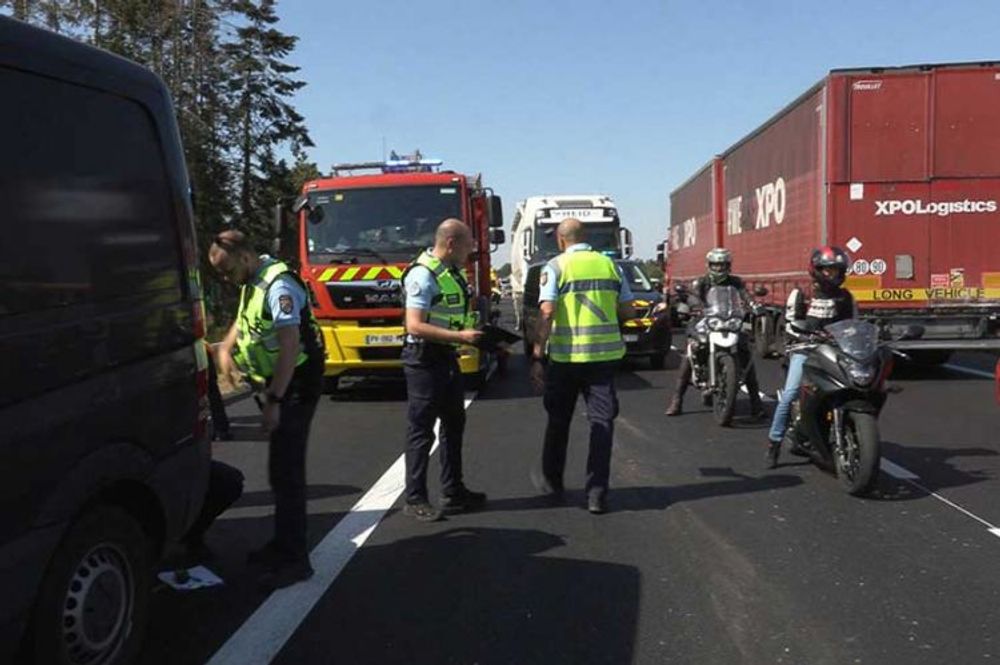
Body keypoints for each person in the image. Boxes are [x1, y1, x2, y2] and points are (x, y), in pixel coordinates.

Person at [210, 229, 325, 589]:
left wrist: (274, 402)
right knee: (279, 471)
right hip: (280, 386)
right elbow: (245, 322)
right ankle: (282, 544)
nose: (227, 279)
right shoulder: (253, 279)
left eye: (228, 271)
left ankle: (296, 559)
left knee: (288, 474)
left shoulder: (279, 287)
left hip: (296, 385)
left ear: (245, 257)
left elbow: (289, 348)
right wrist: (227, 347)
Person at [529, 218, 634, 514]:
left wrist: (538, 354)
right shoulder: (611, 266)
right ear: (584, 237)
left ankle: (552, 482)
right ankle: (596, 494)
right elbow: (626, 310)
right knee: (601, 424)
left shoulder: (556, 267)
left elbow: (547, 313)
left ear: (561, 240)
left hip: (565, 359)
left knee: (558, 421)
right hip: (603, 360)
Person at [400, 218, 486, 521]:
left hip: (446, 356)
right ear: (451, 244)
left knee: (453, 424)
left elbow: (450, 314)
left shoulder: (451, 273)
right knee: (422, 430)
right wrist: (460, 337)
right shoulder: (423, 275)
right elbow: (414, 324)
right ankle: (415, 498)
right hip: (424, 359)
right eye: (467, 246)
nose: (469, 253)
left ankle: (453, 491)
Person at [766, 246, 857, 468]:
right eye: (827, 270)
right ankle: (774, 442)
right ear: (816, 270)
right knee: (789, 395)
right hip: (805, 349)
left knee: (853, 387)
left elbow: (853, 323)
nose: (831, 275)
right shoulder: (802, 293)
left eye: (836, 270)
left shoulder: (845, 297)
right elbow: (790, 323)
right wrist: (803, 333)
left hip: (834, 350)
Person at [664, 247, 765, 418]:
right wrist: (695, 306)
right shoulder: (701, 282)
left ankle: (756, 403)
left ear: (728, 266)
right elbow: (694, 296)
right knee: (691, 351)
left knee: (744, 350)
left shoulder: (735, 282)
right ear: (709, 265)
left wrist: (754, 305)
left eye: (722, 265)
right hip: (705, 320)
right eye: (715, 265)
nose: (719, 269)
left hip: (729, 319)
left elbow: (744, 295)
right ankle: (677, 400)